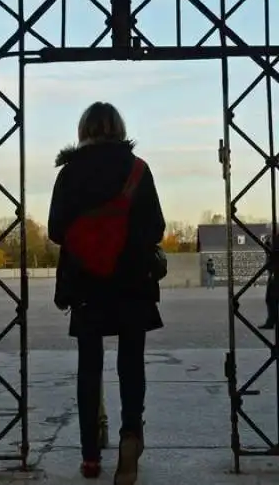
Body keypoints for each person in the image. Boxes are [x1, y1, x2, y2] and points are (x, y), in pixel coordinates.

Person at [48, 102, 166, 484]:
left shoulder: (69, 173)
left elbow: (55, 229)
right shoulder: (138, 169)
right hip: (132, 281)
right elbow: (156, 226)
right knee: (131, 362)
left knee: (89, 365)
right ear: (119, 128)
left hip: (86, 283)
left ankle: (90, 456)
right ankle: (130, 435)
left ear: (83, 130)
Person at [259, 236, 278, 330]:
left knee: (271, 298)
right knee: (271, 299)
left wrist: (267, 247)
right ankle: (272, 320)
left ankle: (272, 320)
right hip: (274, 273)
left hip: (275, 273)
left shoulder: (276, 238)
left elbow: (273, 255)